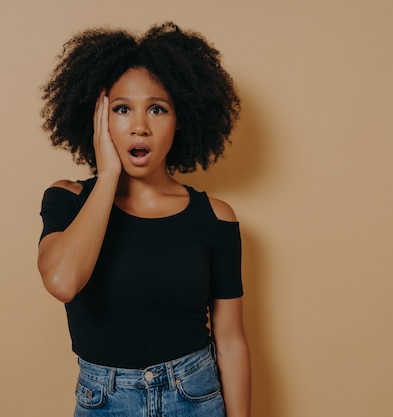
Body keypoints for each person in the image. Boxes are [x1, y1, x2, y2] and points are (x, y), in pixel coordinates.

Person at [37, 22, 251, 417]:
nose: (140, 126)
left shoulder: (215, 218)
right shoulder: (68, 199)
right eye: (121, 109)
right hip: (105, 401)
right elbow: (63, 282)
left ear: (180, 118)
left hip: (196, 397)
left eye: (157, 108)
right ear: (98, 118)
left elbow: (231, 341)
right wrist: (107, 177)